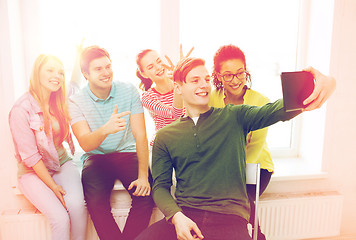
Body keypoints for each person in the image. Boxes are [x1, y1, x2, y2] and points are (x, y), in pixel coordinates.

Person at [135, 57, 336, 240]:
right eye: (195, 80)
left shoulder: (235, 117)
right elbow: (160, 187)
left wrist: (324, 83)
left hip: (229, 219)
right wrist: (176, 217)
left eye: (206, 79)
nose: (204, 84)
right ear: (178, 88)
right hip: (185, 216)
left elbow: (278, 110)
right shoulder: (165, 136)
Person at [68, 45, 154, 240]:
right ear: (85, 73)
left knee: (146, 196)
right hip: (96, 157)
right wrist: (106, 129)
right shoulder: (75, 101)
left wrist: (143, 176)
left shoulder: (128, 90)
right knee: (96, 203)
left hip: (127, 153)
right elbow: (86, 144)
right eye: (98, 69)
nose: (106, 73)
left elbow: (141, 135)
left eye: (108, 67)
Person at [8, 54, 88, 240]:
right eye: (50, 70)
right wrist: (53, 186)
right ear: (37, 73)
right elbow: (31, 157)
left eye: (60, 72)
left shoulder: (59, 98)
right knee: (60, 218)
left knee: (77, 207)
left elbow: (75, 84)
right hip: (32, 172)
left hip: (62, 163)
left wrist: (78, 54)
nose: (57, 76)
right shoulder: (21, 109)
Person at [136, 46, 193, 148]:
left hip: (187, 141)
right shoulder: (147, 97)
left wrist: (185, 71)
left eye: (159, 61)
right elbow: (176, 115)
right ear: (144, 74)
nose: (158, 67)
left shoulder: (184, 83)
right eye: (151, 67)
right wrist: (177, 82)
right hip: (164, 146)